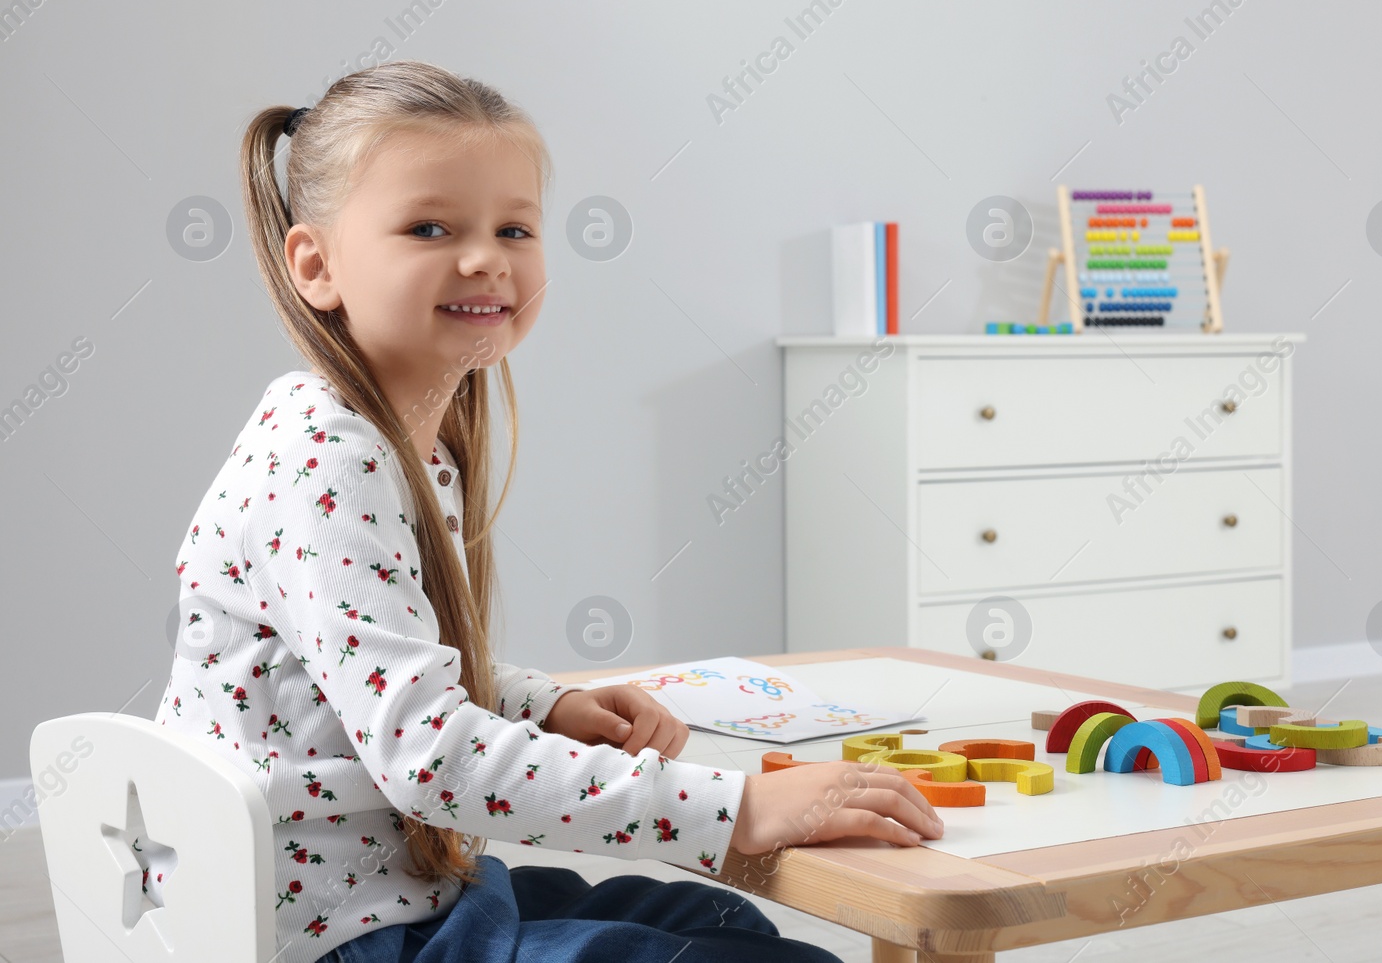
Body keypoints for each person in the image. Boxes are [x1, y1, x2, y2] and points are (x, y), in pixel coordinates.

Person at [148, 59, 943, 963]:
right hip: (341, 936)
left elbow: (381, 669)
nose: (486, 255)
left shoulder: (393, 440)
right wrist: (738, 806)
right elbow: (429, 754)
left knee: (727, 925)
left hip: (402, 894)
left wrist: (544, 703)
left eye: (514, 227)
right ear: (317, 265)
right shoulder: (328, 454)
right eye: (430, 226)